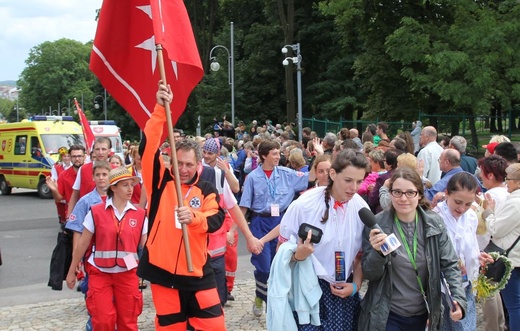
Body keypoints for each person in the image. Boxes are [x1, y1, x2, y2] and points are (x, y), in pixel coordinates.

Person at [137, 81, 226, 330]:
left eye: (189, 164)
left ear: (198, 163)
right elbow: (148, 147)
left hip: (196, 271)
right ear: (171, 160)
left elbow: (215, 219)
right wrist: (159, 109)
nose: (184, 169)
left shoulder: (207, 188)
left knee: (214, 325)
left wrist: (194, 217)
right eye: (180, 163)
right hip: (162, 271)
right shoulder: (160, 180)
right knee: (170, 327)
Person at [272, 149, 370, 330]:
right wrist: (297, 256)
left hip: (344, 291)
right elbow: (281, 250)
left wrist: (356, 286)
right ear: (333, 173)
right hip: (308, 287)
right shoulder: (305, 204)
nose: (354, 188)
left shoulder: (361, 208)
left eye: (359, 181)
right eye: (348, 180)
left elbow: (359, 256)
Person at [359, 167, 466, 331]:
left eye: (410, 192)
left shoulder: (434, 223)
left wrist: (458, 298)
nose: (403, 198)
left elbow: (450, 264)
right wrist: (377, 253)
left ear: (419, 194)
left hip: (424, 312)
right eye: (397, 192)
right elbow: (370, 274)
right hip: (388, 313)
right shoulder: (377, 225)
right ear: (390, 194)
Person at [65, 167, 147, 331]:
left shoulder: (140, 214)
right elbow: (83, 243)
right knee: (103, 320)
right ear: (113, 188)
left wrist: (145, 272)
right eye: (125, 185)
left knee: (128, 321)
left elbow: (145, 247)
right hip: (100, 272)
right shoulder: (96, 212)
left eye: (132, 184)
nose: (130, 189)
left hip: (127, 273)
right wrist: (72, 269)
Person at [239, 138, 309, 316]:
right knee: (263, 267)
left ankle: (277, 304)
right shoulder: (253, 178)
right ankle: (261, 295)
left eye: (279, 153)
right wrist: (234, 229)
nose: (279, 156)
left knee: (282, 265)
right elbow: (244, 206)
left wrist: (317, 156)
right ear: (264, 156)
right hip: (260, 223)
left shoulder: (287, 173)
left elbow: (312, 178)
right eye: (275, 153)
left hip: (282, 223)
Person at [433, 172, 492, 330]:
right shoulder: (434, 218)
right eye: (458, 202)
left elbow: (470, 245)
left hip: (465, 284)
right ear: (447, 193)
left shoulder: (471, 216)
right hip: (441, 286)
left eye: (468, 204)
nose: (462, 208)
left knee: (465, 325)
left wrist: (477, 256)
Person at [483, 162, 520, 331]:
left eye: (509, 179)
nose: (506, 183)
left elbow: (496, 229)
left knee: (514, 306)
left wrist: (488, 212)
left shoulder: (515, 203)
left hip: (512, 260)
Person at [67, 137, 112, 218]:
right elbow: (75, 195)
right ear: (93, 151)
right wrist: (68, 217)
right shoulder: (83, 169)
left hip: (110, 214)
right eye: (97, 149)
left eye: (104, 149)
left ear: (109, 151)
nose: (100, 152)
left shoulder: (116, 170)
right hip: (86, 213)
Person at [46, 145, 85, 224]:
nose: (77, 159)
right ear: (70, 158)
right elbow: (58, 199)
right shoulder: (63, 175)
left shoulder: (92, 172)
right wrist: (54, 190)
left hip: (90, 213)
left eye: (79, 156)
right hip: (72, 214)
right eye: (74, 156)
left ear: (84, 157)